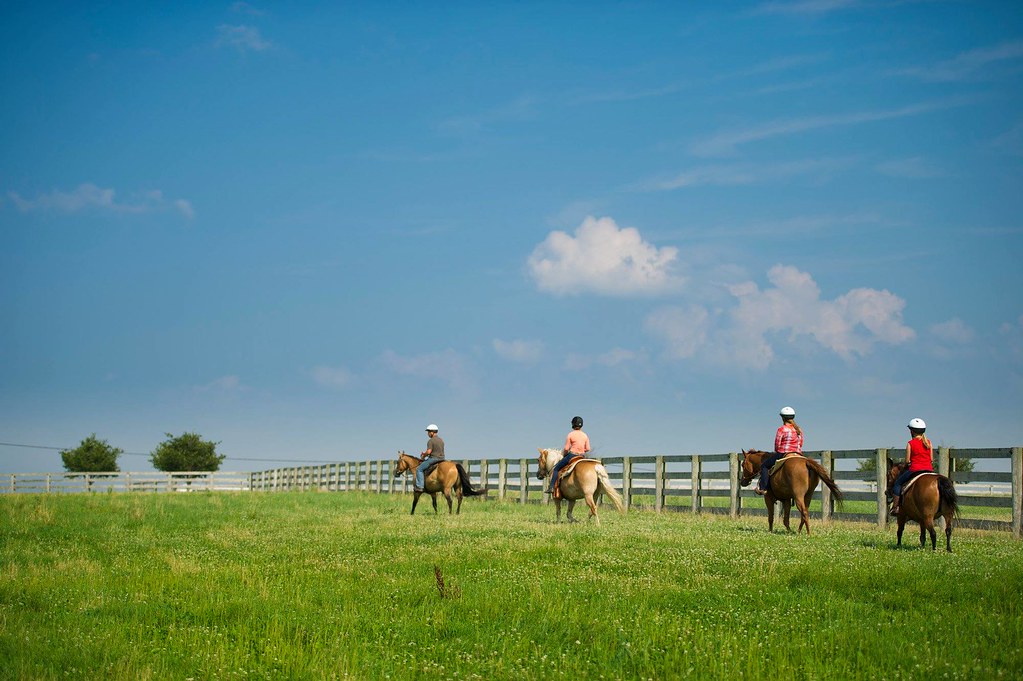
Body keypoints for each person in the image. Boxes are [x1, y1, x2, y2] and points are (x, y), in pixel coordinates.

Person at [755, 406, 803, 495]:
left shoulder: (781, 429)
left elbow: (777, 444)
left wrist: (777, 451)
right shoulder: (799, 429)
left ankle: (763, 488)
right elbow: (800, 443)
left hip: (784, 453)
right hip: (797, 454)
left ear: (782, 418)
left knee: (764, 466)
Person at [891, 418, 934, 515]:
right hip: (929, 469)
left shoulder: (910, 443)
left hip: (915, 469)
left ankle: (895, 507)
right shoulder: (929, 442)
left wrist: (906, 464)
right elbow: (931, 459)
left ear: (912, 431)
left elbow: (907, 461)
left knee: (897, 484)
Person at [547, 416, 591, 494]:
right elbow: (588, 448)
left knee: (556, 469)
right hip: (581, 456)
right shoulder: (585, 435)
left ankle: (551, 487)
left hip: (572, 455)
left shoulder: (570, 434)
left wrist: (565, 454)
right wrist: (581, 450)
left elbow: (566, 448)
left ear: (573, 424)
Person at [414, 424, 445, 492]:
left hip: (434, 459)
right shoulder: (441, 440)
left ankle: (420, 486)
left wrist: (423, 455)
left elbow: (429, 451)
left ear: (432, 432)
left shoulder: (431, 441)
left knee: (419, 469)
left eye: (428, 432)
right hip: (442, 459)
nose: (428, 434)